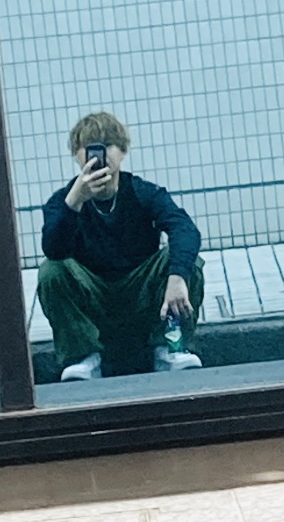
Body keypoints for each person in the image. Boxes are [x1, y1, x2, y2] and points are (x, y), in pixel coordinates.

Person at [39, 112, 205, 381]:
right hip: (91, 297)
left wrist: (177, 277)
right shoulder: (63, 200)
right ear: (76, 155)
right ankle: (83, 357)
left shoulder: (142, 191)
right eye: (89, 147)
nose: (100, 154)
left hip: (141, 293)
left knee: (187, 262)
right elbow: (54, 250)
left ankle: (170, 347)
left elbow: (184, 229)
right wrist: (75, 202)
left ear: (123, 151)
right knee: (52, 269)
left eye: (107, 146)